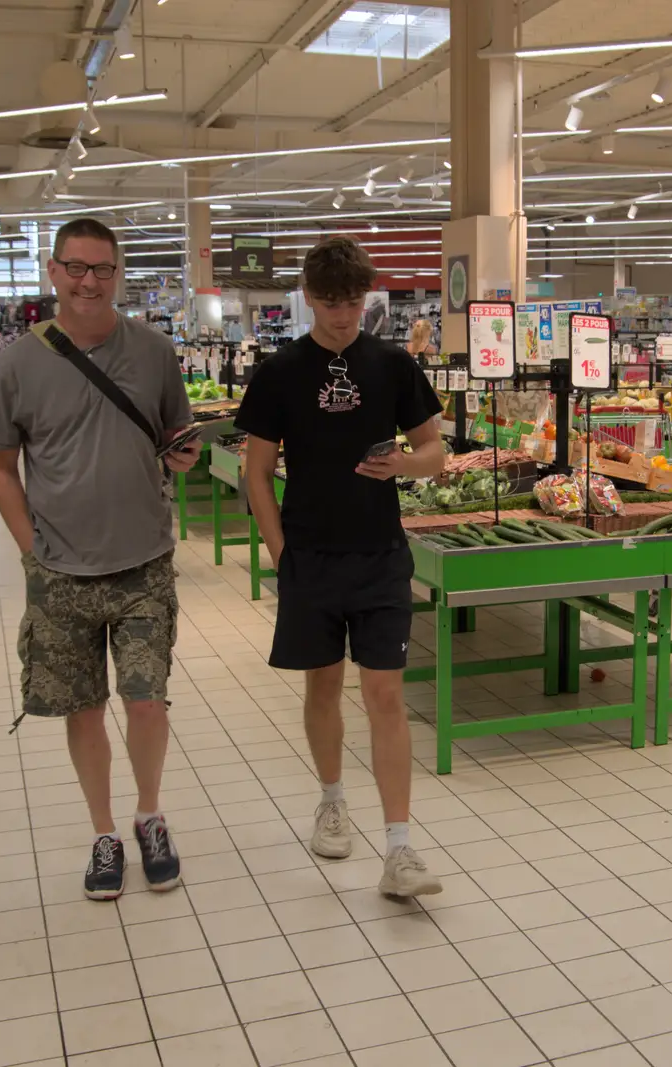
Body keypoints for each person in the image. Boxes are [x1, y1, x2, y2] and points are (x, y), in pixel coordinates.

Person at [0, 217, 202, 901]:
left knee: (146, 700)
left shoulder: (155, 351)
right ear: (53, 272)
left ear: (119, 275)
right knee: (83, 709)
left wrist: (185, 454)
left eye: (102, 269)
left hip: (143, 562)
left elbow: (177, 437)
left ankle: (149, 813)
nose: (89, 281)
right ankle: (105, 832)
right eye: (76, 267)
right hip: (61, 572)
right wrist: (31, 553)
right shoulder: (17, 362)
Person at [235, 235, 447, 898]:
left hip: (382, 555)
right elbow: (257, 471)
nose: (342, 313)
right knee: (322, 688)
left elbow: (435, 448)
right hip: (312, 558)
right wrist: (281, 554)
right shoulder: (279, 372)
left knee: (385, 694)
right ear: (308, 296)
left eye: (353, 300)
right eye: (330, 301)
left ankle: (401, 848)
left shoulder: (391, 363)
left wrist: (404, 466)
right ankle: (331, 799)